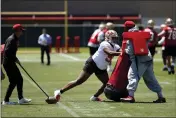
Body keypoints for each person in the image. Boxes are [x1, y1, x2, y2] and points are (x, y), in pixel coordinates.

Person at [54, 30, 121, 102]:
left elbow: (121, 50)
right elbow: (110, 52)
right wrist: (122, 52)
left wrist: (125, 50)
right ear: (108, 37)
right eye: (113, 38)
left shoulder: (116, 46)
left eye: (115, 38)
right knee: (79, 81)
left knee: (106, 84)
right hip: (92, 63)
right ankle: (59, 91)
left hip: (101, 68)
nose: (115, 39)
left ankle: (95, 97)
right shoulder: (104, 43)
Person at [120, 21, 166, 103]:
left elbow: (130, 50)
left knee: (132, 75)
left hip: (139, 59)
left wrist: (123, 52)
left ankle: (130, 96)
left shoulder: (130, 35)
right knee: (151, 78)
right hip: (148, 58)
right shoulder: (142, 33)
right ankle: (161, 96)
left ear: (126, 27)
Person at [2, 24, 31, 105]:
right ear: (17, 31)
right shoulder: (12, 40)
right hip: (8, 63)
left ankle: (20, 98)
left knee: (18, 80)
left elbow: (10, 53)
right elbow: (7, 52)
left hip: (10, 62)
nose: (22, 32)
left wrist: (15, 59)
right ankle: (6, 101)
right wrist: (15, 59)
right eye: (21, 30)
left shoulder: (14, 38)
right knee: (14, 81)